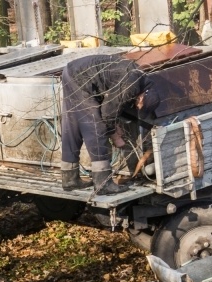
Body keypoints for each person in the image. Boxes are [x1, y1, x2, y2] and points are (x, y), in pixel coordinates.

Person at [60, 54, 161, 195]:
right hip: (80, 78)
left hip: (72, 72)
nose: (136, 107)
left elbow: (113, 105)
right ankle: (103, 183)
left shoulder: (141, 79)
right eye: (138, 106)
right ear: (142, 98)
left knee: (73, 127)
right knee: (96, 128)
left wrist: (115, 125)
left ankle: (69, 179)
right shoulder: (131, 85)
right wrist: (116, 137)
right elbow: (107, 112)